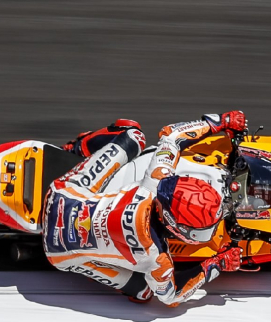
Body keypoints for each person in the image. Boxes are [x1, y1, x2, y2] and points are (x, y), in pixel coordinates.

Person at [43, 112, 248, 306]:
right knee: (144, 292)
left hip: (60, 194)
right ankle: (75, 150)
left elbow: (171, 134)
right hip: (58, 252)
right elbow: (170, 297)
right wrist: (216, 264)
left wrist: (219, 121)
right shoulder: (157, 259)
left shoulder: (155, 181)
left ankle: (75, 148)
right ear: (175, 226)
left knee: (134, 135)